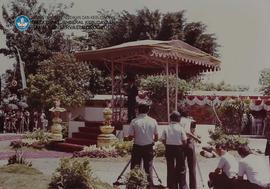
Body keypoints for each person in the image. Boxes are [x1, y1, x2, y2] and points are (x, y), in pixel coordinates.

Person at [127, 103, 158, 187]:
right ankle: (149, 186)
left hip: (137, 147)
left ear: (138, 110)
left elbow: (130, 137)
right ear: (148, 110)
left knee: (135, 167)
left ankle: (133, 185)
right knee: (148, 168)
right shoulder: (153, 121)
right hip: (148, 147)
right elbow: (156, 137)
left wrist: (127, 138)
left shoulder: (134, 121)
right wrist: (151, 140)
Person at [161, 111, 188, 189]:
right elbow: (185, 141)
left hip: (169, 148)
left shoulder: (166, 128)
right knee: (181, 168)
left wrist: (167, 145)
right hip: (179, 149)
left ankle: (171, 186)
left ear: (171, 119)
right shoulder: (180, 128)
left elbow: (163, 139)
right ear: (178, 119)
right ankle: (182, 186)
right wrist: (181, 147)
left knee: (170, 168)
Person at [185, 121, 200, 189]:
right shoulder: (189, 124)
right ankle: (193, 187)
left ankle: (183, 185)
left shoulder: (180, 121)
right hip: (189, 143)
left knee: (182, 167)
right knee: (192, 168)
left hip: (182, 144)